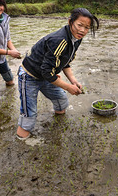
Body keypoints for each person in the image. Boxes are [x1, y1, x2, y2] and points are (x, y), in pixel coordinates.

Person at [16, 8, 99, 140]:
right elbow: (47, 72)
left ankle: (57, 126)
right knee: (29, 113)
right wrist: (67, 87)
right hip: (30, 75)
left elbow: (65, 62)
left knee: (61, 103)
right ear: (70, 22)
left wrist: (73, 80)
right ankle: (21, 142)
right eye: (80, 25)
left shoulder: (76, 38)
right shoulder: (60, 40)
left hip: (47, 75)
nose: (83, 30)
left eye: (87, 27)